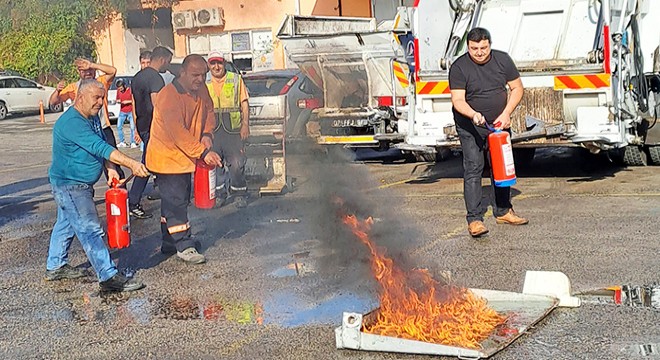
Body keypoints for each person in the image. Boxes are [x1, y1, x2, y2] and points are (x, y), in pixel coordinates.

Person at [46, 79, 149, 292]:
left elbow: (102, 144)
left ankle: (55, 265)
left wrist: (110, 168)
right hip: (70, 185)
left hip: (77, 185)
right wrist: (132, 164)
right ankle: (108, 276)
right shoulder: (72, 122)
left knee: (65, 224)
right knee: (90, 229)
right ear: (80, 97)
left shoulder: (91, 117)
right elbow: (100, 146)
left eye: (103, 97)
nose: (101, 102)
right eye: (97, 98)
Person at [448, 27, 528, 238]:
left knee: (501, 168)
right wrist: (473, 114)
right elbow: (457, 100)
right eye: (474, 48)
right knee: (474, 167)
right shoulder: (459, 67)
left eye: (483, 48)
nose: (479, 52)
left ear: (489, 45)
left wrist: (507, 112)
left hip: (499, 124)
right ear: (468, 47)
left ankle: (503, 210)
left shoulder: (503, 60)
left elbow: (517, 88)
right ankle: (474, 219)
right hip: (470, 125)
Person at [146, 54, 222, 264]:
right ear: (183, 73)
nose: (200, 79)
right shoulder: (169, 96)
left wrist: (208, 134)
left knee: (173, 201)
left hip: (185, 156)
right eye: (195, 75)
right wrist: (204, 153)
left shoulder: (201, 90)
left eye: (203, 75)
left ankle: (169, 242)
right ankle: (184, 244)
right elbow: (177, 132)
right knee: (177, 201)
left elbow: (209, 113)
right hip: (167, 157)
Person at [49, 58, 124, 180]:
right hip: (85, 130)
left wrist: (92, 64)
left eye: (90, 70)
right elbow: (53, 102)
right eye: (84, 70)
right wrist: (57, 91)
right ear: (78, 72)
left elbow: (112, 71)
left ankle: (119, 194)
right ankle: (85, 190)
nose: (88, 72)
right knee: (85, 163)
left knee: (113, 164)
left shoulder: (100, 82)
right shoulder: (74, 87)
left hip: (103, 128)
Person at [128, 46, 173, 219]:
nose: (167, 66)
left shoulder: (137, 78)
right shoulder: (156, 78)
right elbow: (158, 105)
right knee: (148, 164)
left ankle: (164, 193)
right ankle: (133, 201)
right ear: (162, 59)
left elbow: (135, 104)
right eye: (167, 61)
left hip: (143, 125)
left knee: (156, 162)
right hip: (155, 127)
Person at [206, 51, 250, 208]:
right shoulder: (204, 82)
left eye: (219, 63)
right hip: (213, 130)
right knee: (216, 163)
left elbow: (244, 103)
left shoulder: (235, 79)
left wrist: (245, 124)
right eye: (213, 63)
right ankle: (220, 194)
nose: (216, 67)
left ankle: (239, 193)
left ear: (224, 63)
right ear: (208, 65)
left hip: (233, 129)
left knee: (237, 163)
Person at [115, 80, 137, 148]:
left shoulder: (130, 90)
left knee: (132, 127)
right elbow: (117, 99)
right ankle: (122, 141)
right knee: (119, 126)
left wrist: (127, 102)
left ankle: (133, 142)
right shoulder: (118, 91)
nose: (120, 90)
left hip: (130, 111)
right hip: (122, 111)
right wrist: (118, 101)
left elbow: (134, 100)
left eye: (121, 88)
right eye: (119, 89)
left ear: (124, 86)